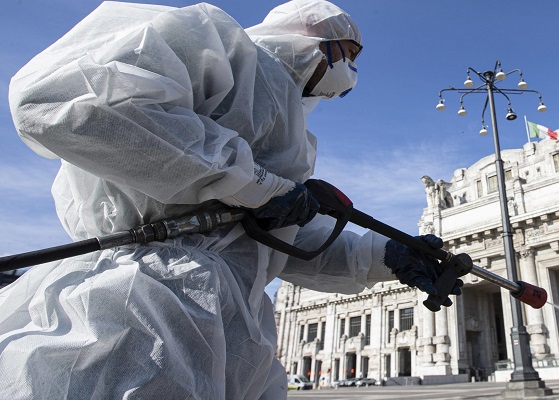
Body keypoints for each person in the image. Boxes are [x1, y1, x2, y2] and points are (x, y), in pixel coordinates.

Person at [0, 1, 460, 399]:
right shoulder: (214, 44)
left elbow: (271, 241)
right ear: (312, 35)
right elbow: (65, 101)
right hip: (145, 302)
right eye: (349, 54)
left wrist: (385, 256)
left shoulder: (292, 131)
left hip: (242, 332)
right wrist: (256, 184)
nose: (351, 72)